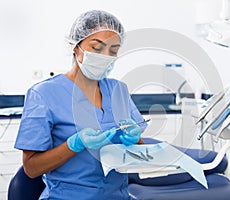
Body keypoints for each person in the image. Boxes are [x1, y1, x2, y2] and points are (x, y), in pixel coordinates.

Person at [14, 9, 147, 200]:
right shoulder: (43, 94)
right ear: (75, 46)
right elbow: (32, 169)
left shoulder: (119, 90)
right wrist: (74, 144)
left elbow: (140, 152)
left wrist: (135, 140)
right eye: (97, 48)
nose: (106, 56)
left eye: (113, 50)